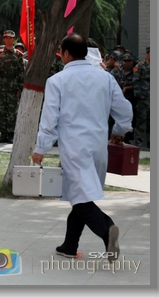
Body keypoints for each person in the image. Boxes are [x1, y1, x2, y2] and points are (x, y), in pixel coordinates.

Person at [32, 33, 132, 261]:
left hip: (74, 149)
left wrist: (40, 149)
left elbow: (49, 120)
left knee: (80, 198)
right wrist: (119, 131)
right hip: (98, 147)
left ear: (66, 53)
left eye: (61, 52)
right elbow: (124, 111)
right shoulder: (105, 78)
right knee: (79, 196)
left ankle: (107, 230)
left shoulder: (57, 80)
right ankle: (69, 246)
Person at [0, 30, 25, 143]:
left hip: (13, 87)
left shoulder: (18, 55)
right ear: (3, 39)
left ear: (14, 39)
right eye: (6, 37)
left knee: (12, 111)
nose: (8, 40)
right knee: (1, 110)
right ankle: (3, 133)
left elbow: (21, 73)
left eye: (10, 38)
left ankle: (11, 133)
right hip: (1, 86)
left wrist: (20, 88)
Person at [132, 47, 150, 148]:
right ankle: (139, 144)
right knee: (141, 122)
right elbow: (135, 81)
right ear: (147, 54)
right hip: (144, 99)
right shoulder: (140, 66)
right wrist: (139, 95)